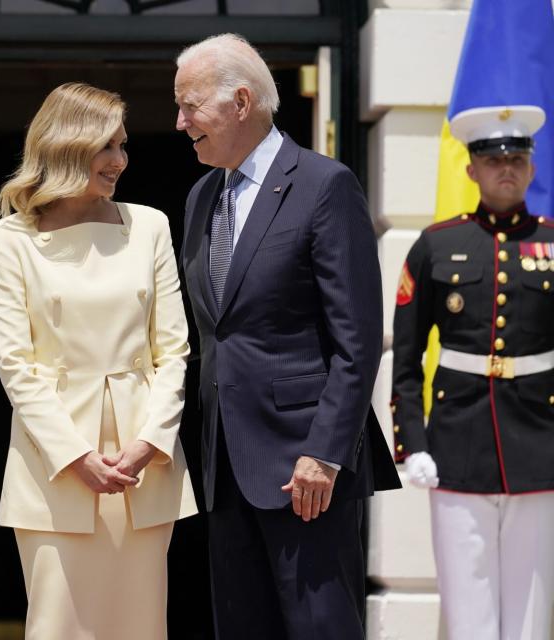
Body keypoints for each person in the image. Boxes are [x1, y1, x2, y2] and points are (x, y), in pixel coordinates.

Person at [174, 34, 401, 639]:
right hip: (225, 466)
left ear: (241, 101)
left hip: (306, 472)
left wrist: (324, 454)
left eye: (190, 106)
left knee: (320, 628)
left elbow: (357, 339)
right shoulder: (201, 197)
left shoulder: (325, 185)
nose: (179, 122)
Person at [0, 82, 198, 640]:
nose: (120, 161)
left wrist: (152, 442)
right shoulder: (9, 240)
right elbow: (16, 366)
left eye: (123, 146)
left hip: (142, 471)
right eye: (107, 146)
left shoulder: (150, 224)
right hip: (54, 473)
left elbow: (173, 349)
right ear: (68, 144)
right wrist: (76, 456)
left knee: (140, 626)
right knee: (60, 626)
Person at [392, 105, 554, 640]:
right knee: (468, 613)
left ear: (532, 169)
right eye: (492, 160)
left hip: (540, 450)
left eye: (515, 158)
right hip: (457, 447)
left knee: (531, 618)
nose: (505, 168)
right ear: (472, 170)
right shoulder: (437, 245)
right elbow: (408, 357)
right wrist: (412, 443)